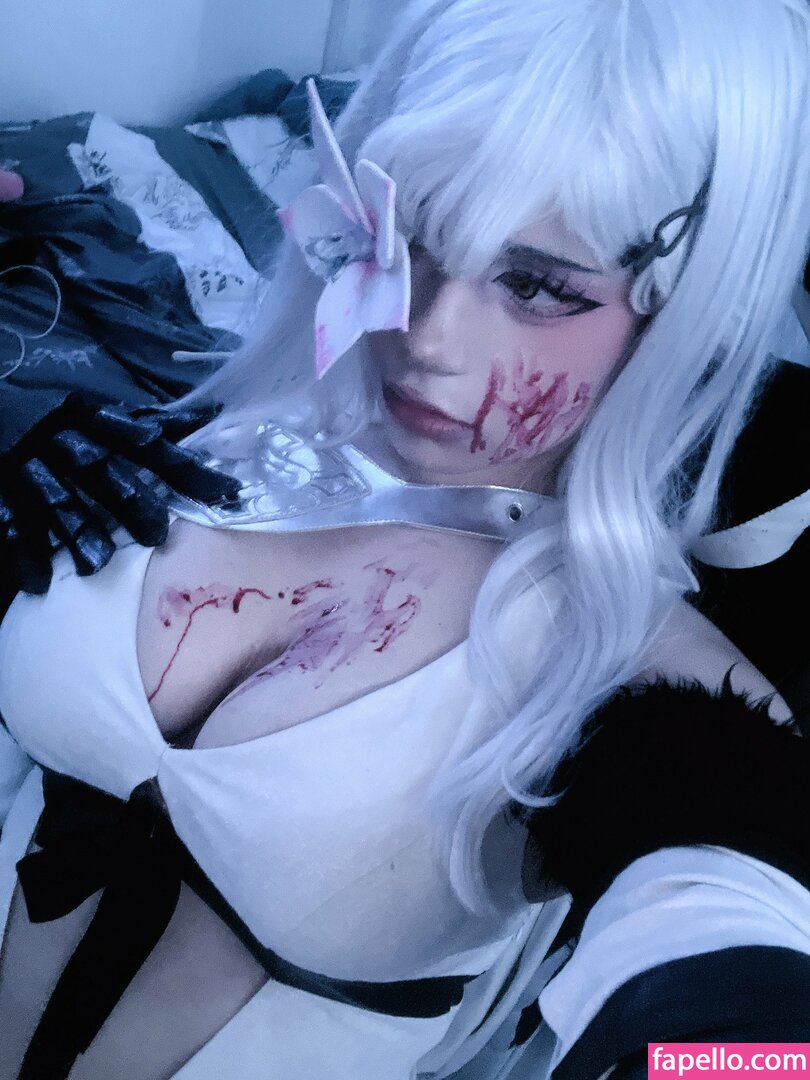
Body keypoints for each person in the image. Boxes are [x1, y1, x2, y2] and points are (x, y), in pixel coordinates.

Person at [0, 1, 809, 1077]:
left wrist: (731, 1052)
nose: (423, 334)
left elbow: (741, 1004)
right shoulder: (207, 440)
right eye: (409, 236)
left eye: (537, 286)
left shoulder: (633, 675)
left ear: (679, 316)